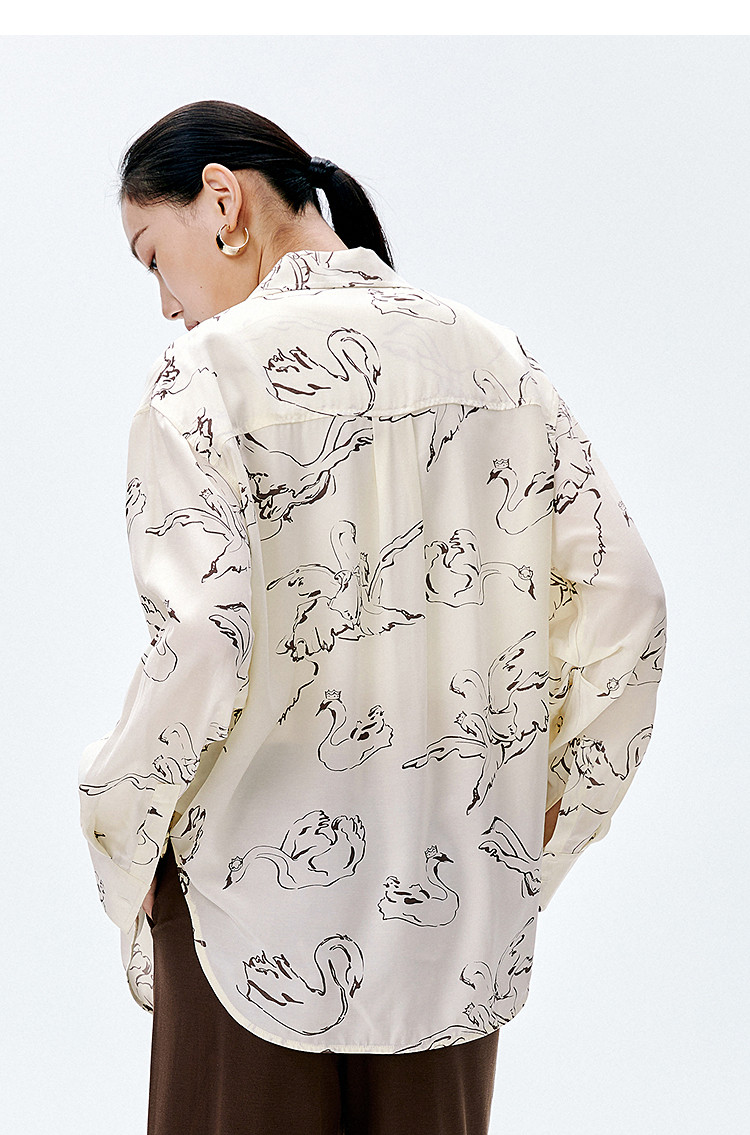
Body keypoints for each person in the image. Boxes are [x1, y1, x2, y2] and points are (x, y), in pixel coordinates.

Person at [78, 100, 668, 1135]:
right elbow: (628, 603)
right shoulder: (497, 362)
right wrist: (552, 808)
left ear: (223, 203)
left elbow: (204, 638)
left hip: (247, 923)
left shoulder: (208, 376)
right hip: (454, 915)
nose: (167, 304)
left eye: (153, 257)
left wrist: (118, 817)